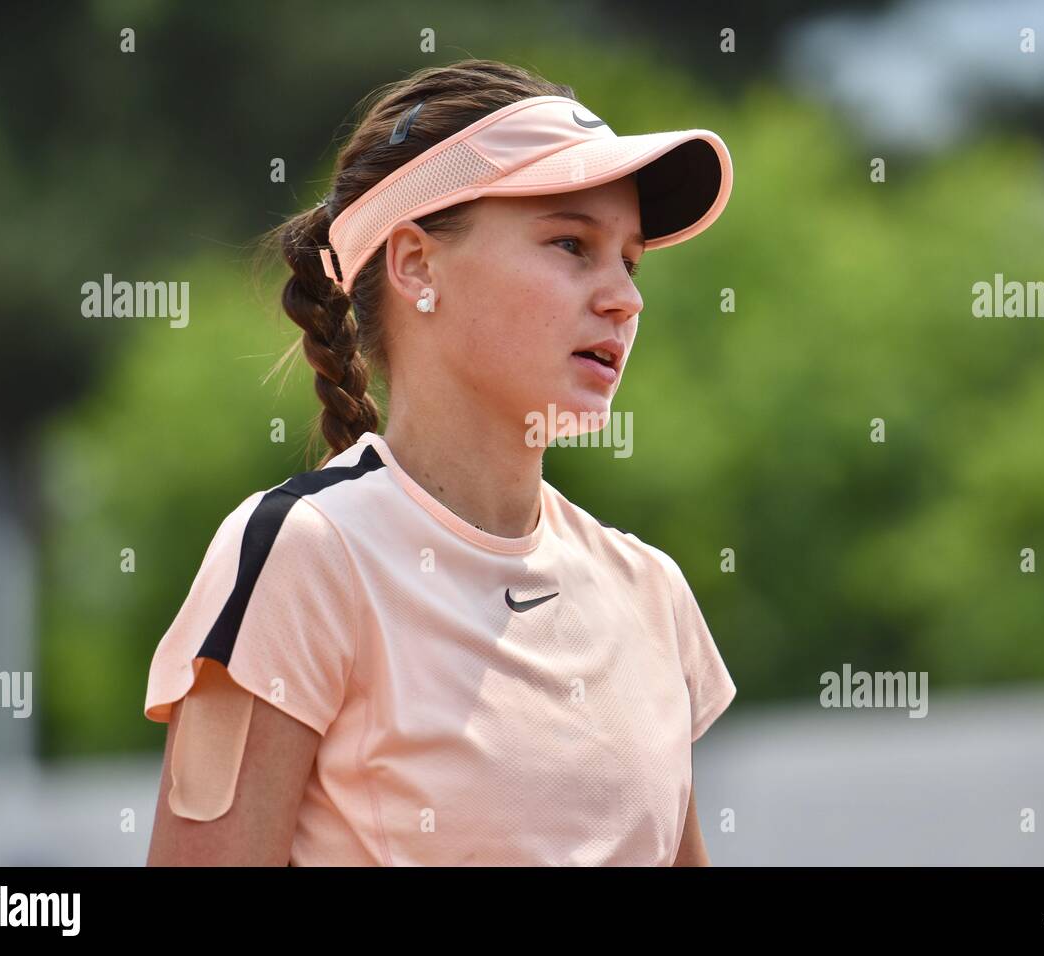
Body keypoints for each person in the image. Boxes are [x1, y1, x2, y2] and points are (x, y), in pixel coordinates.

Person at [143, 58, 737, 866]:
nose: (623, 298)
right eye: (571, 243)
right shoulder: (305, 553)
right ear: (416, 264)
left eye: (629, 260)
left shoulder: (651, 590)